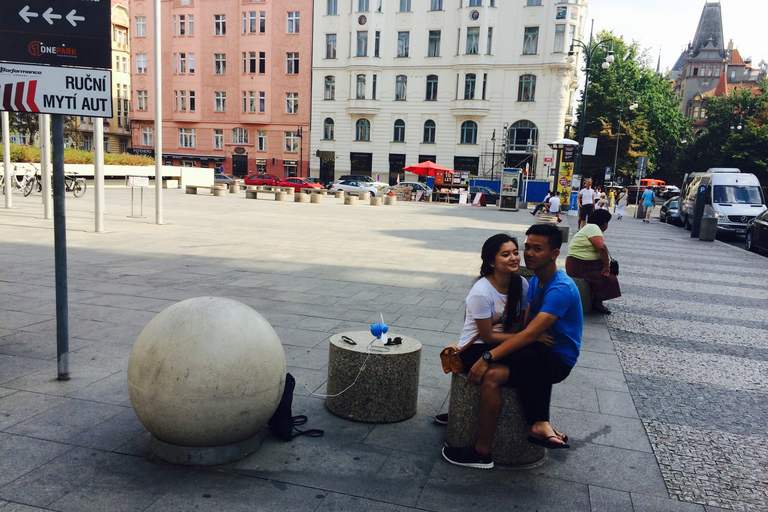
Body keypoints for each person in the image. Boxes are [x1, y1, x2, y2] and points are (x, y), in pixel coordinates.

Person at [442, 225, 583, 469]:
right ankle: (530, 427)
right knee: (510, 365)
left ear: (554, 253)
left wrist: (488, 357)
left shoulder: (557, 288)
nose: (525, 254)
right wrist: (505, 346)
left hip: (555, 360)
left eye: (535, 249)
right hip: (527, 351)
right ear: (491, 261)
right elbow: (522, 333)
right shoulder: (536, 280)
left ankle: (492, 444)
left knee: (521, 358)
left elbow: (527, 334)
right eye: (527, 247)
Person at [434, 233, 531, 427]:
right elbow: (488, 336)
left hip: (501, 343)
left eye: (515, 252)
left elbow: (518, 324)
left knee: (532, 357)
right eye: (505, 254)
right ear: (491, 261)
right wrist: (523, 340)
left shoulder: (521, 284)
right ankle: (464, 413)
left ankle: (463, 411)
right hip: (475, 348)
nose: (513, 258)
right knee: (529, 358)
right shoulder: (481, 291)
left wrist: (520, 339)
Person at [565, 209, 621, 314]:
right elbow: (601, 247)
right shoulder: (593, 227)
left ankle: (596, 301)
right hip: (580, 266)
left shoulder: (589, 228)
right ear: (604, 223)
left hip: (581, 264)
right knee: (608, 278)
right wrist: (606, 265)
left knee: (605, 276)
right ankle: (597, 304)